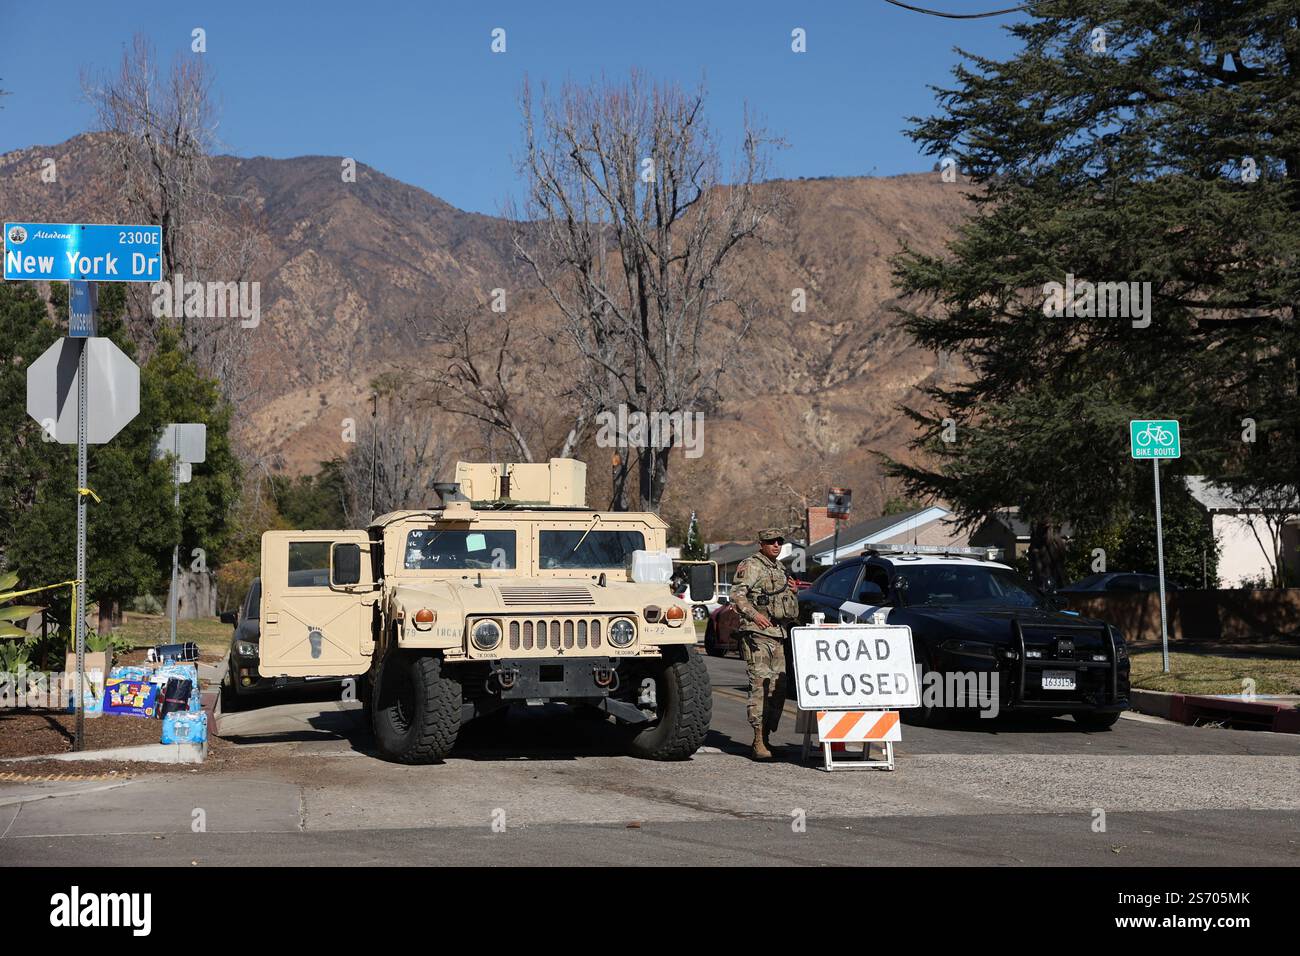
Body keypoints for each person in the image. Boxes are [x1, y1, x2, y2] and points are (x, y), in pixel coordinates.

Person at [729, 528, 799, 760]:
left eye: (780, 541)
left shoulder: (779, 568)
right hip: (757, 633)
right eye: (771, 542)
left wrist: (793, 592)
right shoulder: (751, 565)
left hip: (778, 633)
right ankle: (758, 740)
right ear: (762, 543)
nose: (776, 545)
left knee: (778, 689)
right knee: (760, 685)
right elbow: (737, 595)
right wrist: (753, 615)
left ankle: (767, 737)